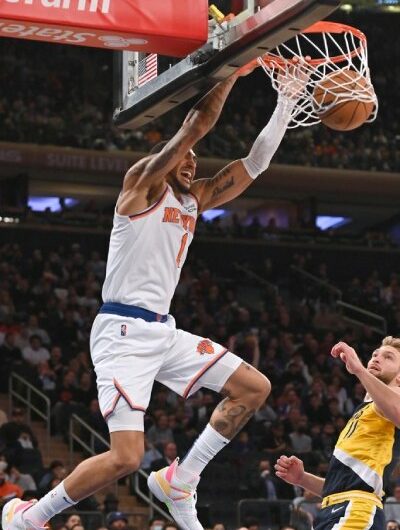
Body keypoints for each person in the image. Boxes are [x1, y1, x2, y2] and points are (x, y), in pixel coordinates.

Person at [2, 60, 309, 530]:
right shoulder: (141, 188)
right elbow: (195, 125)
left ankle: (181, 479)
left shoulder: (195, 200)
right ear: (166, 156)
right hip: (121, 331)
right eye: (185, 156)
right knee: (127, 457)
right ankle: (29, 516)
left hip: (161, 330)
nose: (192, 161)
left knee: (254, 388)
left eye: (195, 159)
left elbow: (255, 164)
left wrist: (286, 101)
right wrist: (232, 67)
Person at [275, 336, 400, 530]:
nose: (376, 358)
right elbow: (341, 487)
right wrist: (302, 479)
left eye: (388, 357)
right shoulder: (365, 411)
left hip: (357, 510)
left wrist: (358, 369)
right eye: (375, 354)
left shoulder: (394, 400)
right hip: (333, 509)